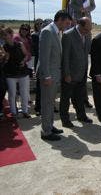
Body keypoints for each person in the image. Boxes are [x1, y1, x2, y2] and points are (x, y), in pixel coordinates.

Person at [38, 10, 72, 141]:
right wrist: (46, 76)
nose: (68, 25)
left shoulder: (56, 31)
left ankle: (49, 126)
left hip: (54, 74)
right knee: (47, 104)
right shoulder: (47, 31)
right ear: (60, 20)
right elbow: (44, 57)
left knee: (50, 103)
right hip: (49, 75)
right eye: (67, 23)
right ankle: (46, 132)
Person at [60, 17, 93, 128]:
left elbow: (86, 53)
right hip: (70, 74)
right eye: (86, 30)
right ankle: (65, 120)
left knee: (79, 96)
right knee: (66, 98)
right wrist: (67, 74)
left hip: (82, 72)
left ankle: (81, 115)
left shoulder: (87, 34)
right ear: (80, 25)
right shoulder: (68, 35)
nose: (88, 32)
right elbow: (65, 57)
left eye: (89, 30)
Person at [2, 27, 31, 119]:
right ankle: (14, 112)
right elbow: (3, 62)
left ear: (11, 34)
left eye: (5, 34)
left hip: (22, 71)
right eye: (3, 35)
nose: (4, 37)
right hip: (10, 73)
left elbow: (26, 55)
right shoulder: (3, 47)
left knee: (24, 92)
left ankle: (25, 111)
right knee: (12, 94)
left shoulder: (20, 44)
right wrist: (6, 58)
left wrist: (24, 60)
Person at [31, 18, 43, 115]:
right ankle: (38, 107)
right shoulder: (34, 35)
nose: (40, 25)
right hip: (39, 62)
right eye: (38, 23)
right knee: (39, 87)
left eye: (41, 23)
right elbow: (35, 49)